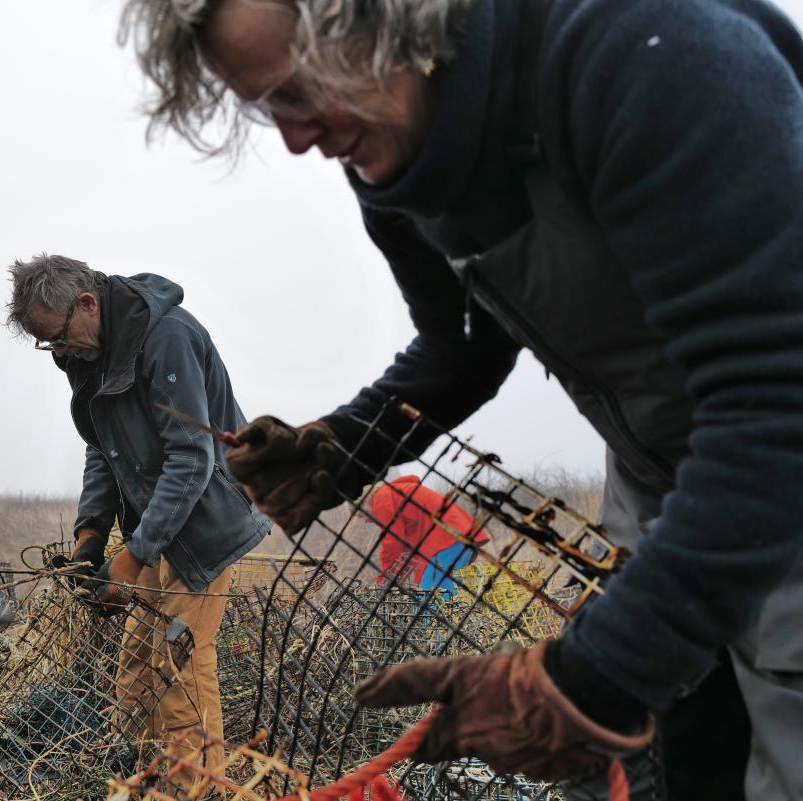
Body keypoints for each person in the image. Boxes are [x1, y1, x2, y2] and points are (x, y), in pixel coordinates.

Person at [117, 0, 803, 798]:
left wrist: (599, 671)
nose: (297, 138)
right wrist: (347, 444)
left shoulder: (650, 51)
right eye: (265, 107)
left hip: (774, 468)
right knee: (688, 765)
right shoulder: (393, 160)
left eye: (301, 91)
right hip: (670, 491)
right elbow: (463, 345)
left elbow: (776, 396)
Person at [6, 253, 270, 765]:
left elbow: (192, 457)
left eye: (57, 337)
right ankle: (139, 772)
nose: (58, 351)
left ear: (86, 304)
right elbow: (101, 447)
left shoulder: (167, 337)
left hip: (207, 522)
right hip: (158, 523)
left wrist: (133, 556)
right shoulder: (88, 354)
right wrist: (91, 533)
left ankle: (193, 789)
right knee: (135, 665)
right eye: (48, 344)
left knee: (180, 665)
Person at [368, 476, 487, 590]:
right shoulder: (397, 495)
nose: (366, 521)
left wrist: (382, 583)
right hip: (457, 535)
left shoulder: (380, 498)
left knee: (430, 597)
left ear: (365, 503)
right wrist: (392, 579)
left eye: (361, 515)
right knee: (440, 594)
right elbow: (404, 553)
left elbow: (392, 542)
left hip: (447, 539)